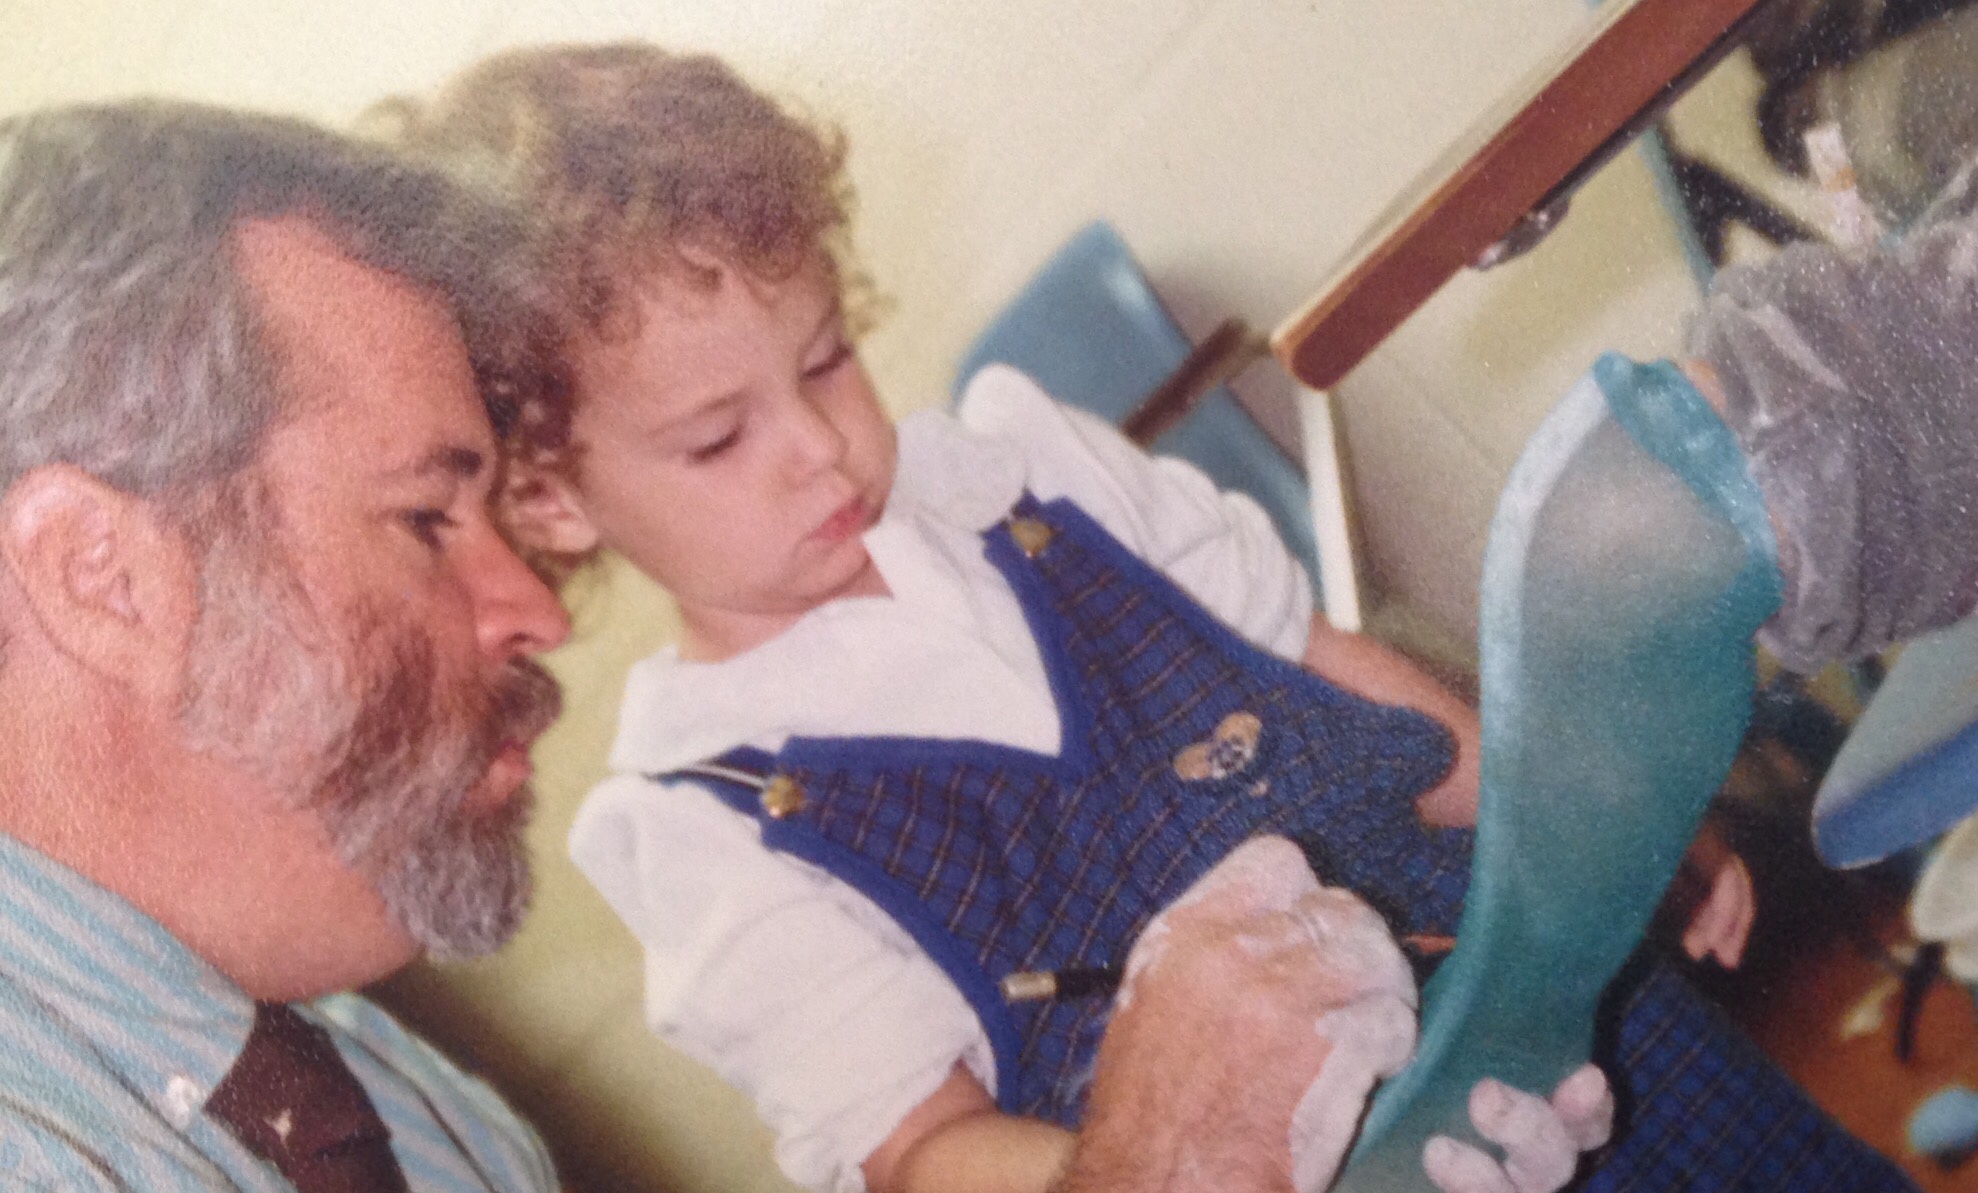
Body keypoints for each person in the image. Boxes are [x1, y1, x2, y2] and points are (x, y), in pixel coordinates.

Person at [379, 41, 1885, 1193]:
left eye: (828, 357)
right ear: (553, 497)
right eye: (717, 438)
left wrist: (1587, 819)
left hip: (1566, 1023)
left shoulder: (1029, 469)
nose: (823, 443)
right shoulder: (707, 824)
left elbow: (1334, 679)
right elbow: (925, 1151)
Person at [0, 99, 1441, 1193]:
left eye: (824, 359)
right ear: (101, 576)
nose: (538, 614)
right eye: (429, 515)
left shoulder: (405, 1104)